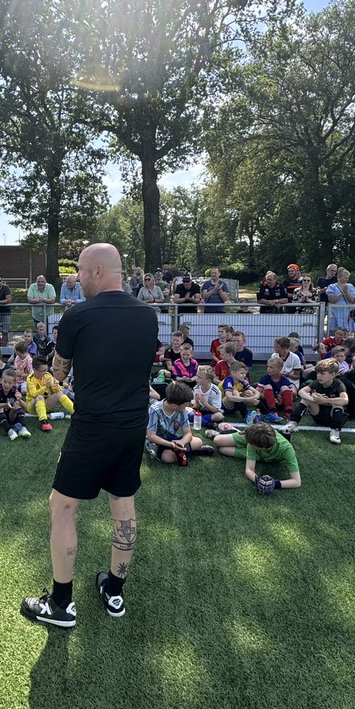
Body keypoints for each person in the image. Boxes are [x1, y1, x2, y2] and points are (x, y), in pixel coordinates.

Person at [20, 243, 158, 629]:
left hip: (92, 426)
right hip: (132, 426)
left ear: (97, 271)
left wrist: (41, 392)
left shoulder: (77, 315)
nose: (77, 279)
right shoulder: (148, 316)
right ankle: (114, 591)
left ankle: (61, 604)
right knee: (123, 507)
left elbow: (58, 375)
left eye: (80, 271)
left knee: (62, 508)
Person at [207, 422, 301, 494]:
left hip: (256, 444)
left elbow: (297, 481)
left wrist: (275, 484)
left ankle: (239, 433)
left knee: (223, 450)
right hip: (254, 438)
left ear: (260, 447)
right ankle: (237, 432)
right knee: (217, 440)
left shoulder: (287, 449)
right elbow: (249, 470)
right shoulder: (254, 443)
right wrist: (258, 481)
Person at [144, 382, 213, 466]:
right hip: (158, 442)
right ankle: (193, 452)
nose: (187, 407)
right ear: (175, 406)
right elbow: (151, 436)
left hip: (174, 439)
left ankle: (186, 451)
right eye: (185, 405)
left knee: (198, 442)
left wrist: (182, 442)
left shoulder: (182, 411)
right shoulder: (155, 410)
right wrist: (170, 444)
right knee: (167, 457)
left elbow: (188, 433)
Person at [294, 359, 349, 443]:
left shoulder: (338, 384)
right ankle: (292, 423)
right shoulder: (316, 382)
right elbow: (301, 391)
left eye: (322, 373)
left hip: (333, 417)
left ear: (333, 374)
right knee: (305, 398)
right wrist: (314, 399)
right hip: (319, 415)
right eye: (317, 373)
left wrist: (325, 400)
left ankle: (335, 432)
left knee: (338, 404)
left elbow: (345, 400)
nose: (319, 376)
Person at [26, 354, 75, 431]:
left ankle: (75, 412)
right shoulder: (30, 379)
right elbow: (33, 394)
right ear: (34, 369)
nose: (45, 372)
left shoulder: (48, 375)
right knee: (39, 397)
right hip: (33, 407)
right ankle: (43, 422)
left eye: (46, 370)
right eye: (42, 371)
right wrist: (45, 387)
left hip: (46, 405)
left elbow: (57, 391)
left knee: (59, 394)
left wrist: (56, 386)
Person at [325, 268, 355, 333]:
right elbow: (332, 300)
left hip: (346, 312)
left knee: (346, 331)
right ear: (339, 277)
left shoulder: (350, 286)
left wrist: (347, 292)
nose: (347, 279)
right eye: (345, 277)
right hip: (335, 312)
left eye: (348, 278)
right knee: (333, 331)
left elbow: (352, 300)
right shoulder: (332, 286)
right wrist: (342, 293)